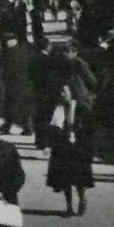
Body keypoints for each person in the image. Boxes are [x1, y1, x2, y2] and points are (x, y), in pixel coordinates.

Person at [46, 82, 94, 215]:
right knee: (65, 179)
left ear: (71, 93)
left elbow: (89, 129)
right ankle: (69, 207)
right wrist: (50, 145)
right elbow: (53, 128)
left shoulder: (81, 108)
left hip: (78, 148)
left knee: (79, 179)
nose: (62, 95)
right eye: (61, 92)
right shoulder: (58, 108)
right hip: (63, 148)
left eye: (65, 92)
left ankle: (82, 199)